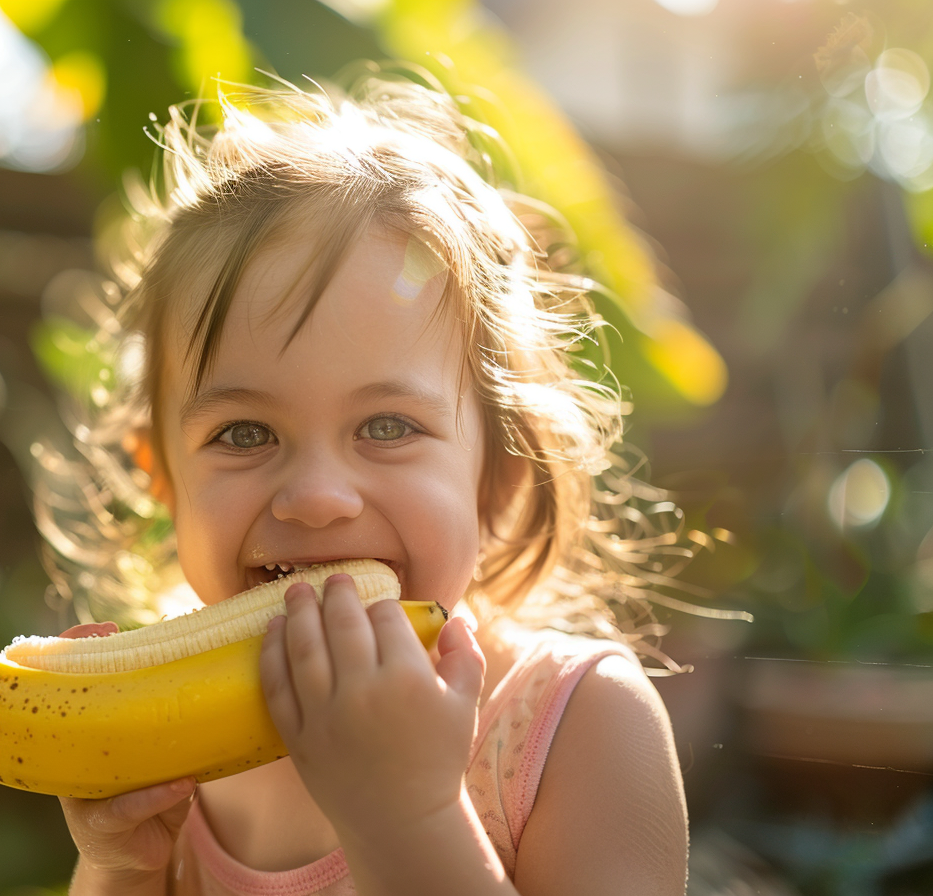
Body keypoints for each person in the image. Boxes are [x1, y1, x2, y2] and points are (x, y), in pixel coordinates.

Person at [48, 66, 690, 895]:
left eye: (387, 427)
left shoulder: (579, 724)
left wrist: (407, 819)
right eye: (245, 433)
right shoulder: (169, 738)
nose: (317, 496)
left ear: (501, 473)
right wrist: (118, 868)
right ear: (163, 481)